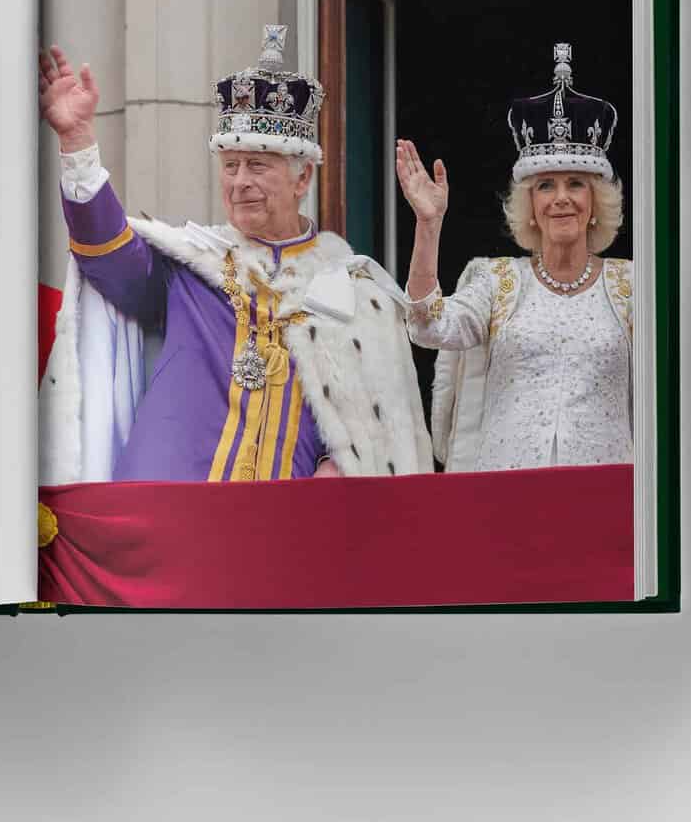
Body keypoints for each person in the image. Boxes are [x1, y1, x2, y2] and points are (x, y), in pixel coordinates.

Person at [39, 25, 431, 484]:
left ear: (302, 180)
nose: (239, 181)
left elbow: (370, 421)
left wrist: (341, 463)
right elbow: (109, 259)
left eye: (258, 165)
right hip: (173, 514)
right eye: (230, 166)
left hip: (282, 528)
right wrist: (78, 140)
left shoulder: (353, 290)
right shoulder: (191, 266)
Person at [395, 42, 633, 472]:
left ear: (596, 200)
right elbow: (427, 326)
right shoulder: (498, 281)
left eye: (575, 184)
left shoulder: (633, 286)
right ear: (531, 206)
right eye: (545, 186)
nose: (561, 199)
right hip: (508, 502)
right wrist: (428, 227)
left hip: (608, 502)